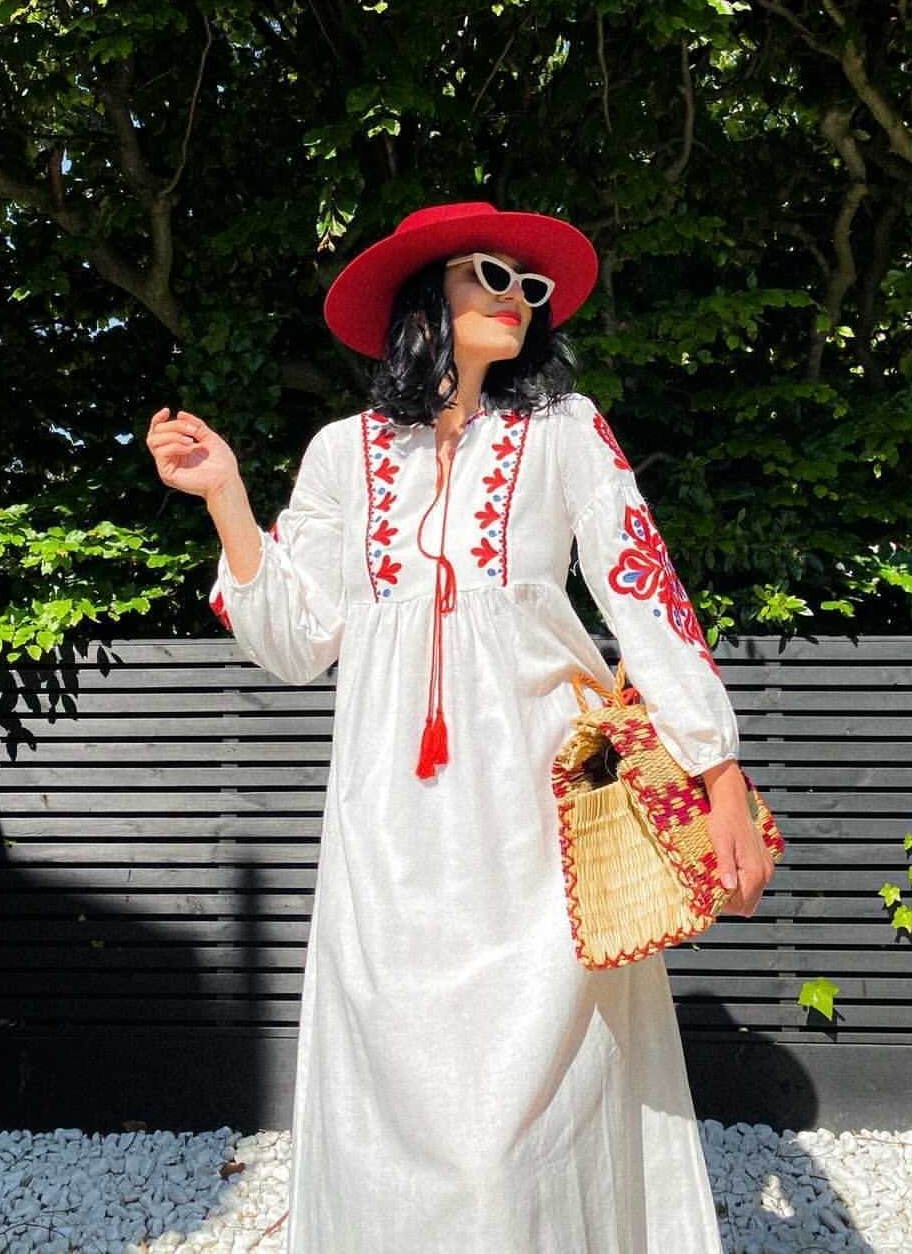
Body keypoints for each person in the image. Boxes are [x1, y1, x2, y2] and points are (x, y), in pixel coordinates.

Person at [146, 199, 774, 1254]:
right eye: (493, 273)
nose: (518, 299)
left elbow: (643, 595)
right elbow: (297, 638)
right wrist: (225, 498)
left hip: (542, 824)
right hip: (389, 824)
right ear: (422, 293)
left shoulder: (565, 431)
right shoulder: (343, 454)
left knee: (529, 1121)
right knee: (402, 1098)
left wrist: (719, 778)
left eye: (532, 287)